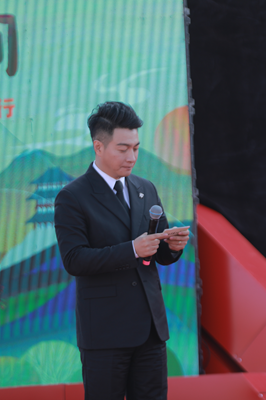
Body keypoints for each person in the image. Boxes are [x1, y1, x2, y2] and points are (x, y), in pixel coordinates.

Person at [54, 101, 190, 400]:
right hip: (105, 332)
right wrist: (132, 250)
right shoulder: (72, 197)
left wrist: (173, 248)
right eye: (123, 149)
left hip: (151, 329)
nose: (132, 157)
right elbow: (74, 260)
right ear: (98, 147)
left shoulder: (145, 188)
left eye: (136, 148)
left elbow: (157, 251)